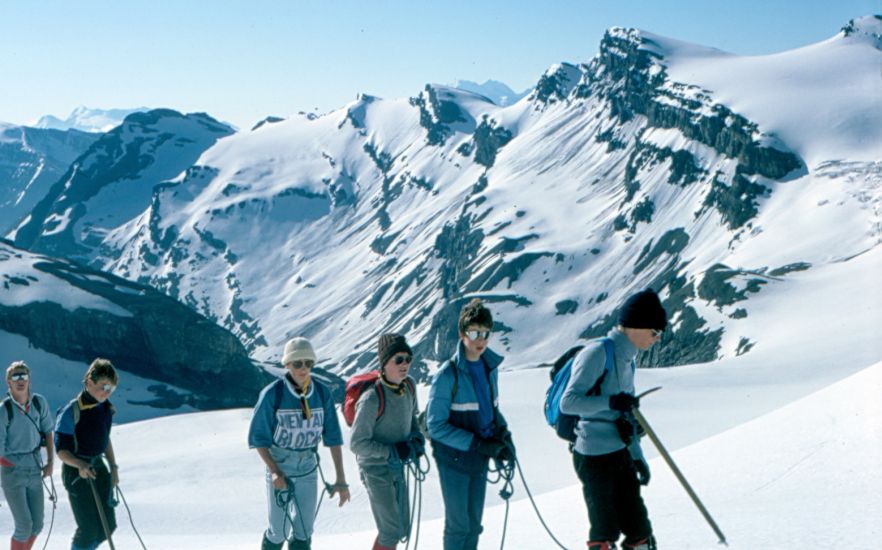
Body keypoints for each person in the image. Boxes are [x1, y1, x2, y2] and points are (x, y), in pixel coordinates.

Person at [560, 288, 668, 550]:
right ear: (636, 326)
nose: (656, 339)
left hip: (620, 453)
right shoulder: (598, 353)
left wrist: (637, 457)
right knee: (604, 532)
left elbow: (625, 417)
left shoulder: (628, 360)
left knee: (639, 531)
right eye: (655, 332)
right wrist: (610, 402)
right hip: (592, 454)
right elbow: (569, 402)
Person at [425, 299, 514, 550]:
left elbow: (490, 409)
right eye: (475, 332)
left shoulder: (489, 368)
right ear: (462, 333)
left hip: (478, 457)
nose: (481, 339)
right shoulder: (447, 375)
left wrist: (504, 435)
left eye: (486, 333)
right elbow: (435, 426)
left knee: (474, 524)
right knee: (459, 526)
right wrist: (479, 444)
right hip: (453, 459)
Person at [249, 337, 351, 550]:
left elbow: (333, 437)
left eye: (308, 363)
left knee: (304, 531)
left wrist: (341, 479)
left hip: (308, 466)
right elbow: (259, 438)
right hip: (280, 463)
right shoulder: (272, 394)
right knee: (279, 531)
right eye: (297, 363)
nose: (304, 368)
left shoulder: (322, 393)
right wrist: (275, 471)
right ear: (287, 364)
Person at [350, 333, 425, 550]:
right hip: (375, 469)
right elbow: (357, 443)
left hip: (397, 465)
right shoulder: (372, 398)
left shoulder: (409, 387)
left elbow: (412, 421)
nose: (405, 365)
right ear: (384, 363)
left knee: (402, 527)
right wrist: (391, 451)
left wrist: (417, 441)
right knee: (391, 530)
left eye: (408, 359)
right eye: (398, 360)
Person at [55, 358, 121, 550]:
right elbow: (62, 451)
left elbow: (104, 439)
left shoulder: (105, 408)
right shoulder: (71, 411)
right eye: (104, 386)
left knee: (108, 526)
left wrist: (114, 467)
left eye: (111, 389)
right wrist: (81, 465)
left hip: (98, 467)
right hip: (76, 472)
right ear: (90, 382)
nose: (107, 392)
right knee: (89, 528)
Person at [0, 361, 55, 550]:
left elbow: (48, 431)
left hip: (35, 469)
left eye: (23, 375)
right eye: (15, 376)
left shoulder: (39, 403)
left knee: (37, 526)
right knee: (24, 526)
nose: (20, 380)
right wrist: (10, 465)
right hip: (13, 472)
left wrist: (50, 462)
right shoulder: (4, 409)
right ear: (8, 382)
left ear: (29, 379)